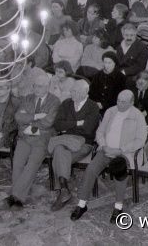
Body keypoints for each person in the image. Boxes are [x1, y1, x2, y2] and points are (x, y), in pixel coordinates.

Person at [70, 90, 146, 222]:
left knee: (119, 171)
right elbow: (100, 131)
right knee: (90, 170)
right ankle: (82, 204)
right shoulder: (111, 111)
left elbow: (140, 139)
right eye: (118, 100)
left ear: (132, 102)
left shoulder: (137, 116)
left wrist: (121, 150)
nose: (119, 104)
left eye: (123, 102)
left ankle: (118, 207)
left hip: (123, 153)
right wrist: (104, 145)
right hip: (106, 150)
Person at [7, 73, 60, 209]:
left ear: (48, 87)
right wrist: (36, 116)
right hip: (24, 137)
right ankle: (18, 195)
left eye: (40, 86)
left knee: (32, 164)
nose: (37, 89)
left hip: (42, 139)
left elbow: (48, 122)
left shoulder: (54, 101)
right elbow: (18, 117)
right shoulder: (27, 98)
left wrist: (30, 126)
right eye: (35, 86)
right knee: (18, 162)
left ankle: (16, 195)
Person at [49, 80, 100, 211]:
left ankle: (63, 191)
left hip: (84, 144)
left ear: (85, 92)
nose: (72, 93)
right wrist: (78, 123)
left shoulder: (93, 106)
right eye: (71, 90)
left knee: (59, 155)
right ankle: (64, 190)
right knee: (59, 150)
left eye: (75, 91)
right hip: (66, 140)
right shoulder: (66, 103)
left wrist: (69, 124)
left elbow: (88, 130)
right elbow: (58, 125)